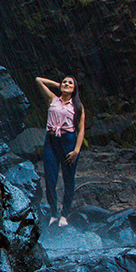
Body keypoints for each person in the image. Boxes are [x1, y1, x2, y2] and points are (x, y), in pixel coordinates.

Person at [35, 75, 86, 227]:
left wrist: (76, 150)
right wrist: (59, 86)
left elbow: (81, 130)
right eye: (65, 82)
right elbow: (38, 80)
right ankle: (53, 213)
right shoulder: (53, 99)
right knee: (50, 179)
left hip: (68, 141)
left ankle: (64, 215)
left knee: (68, 179)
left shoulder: (78, 106)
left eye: (70, 83)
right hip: (51, 141)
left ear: (75, 88)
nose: (66, 84)